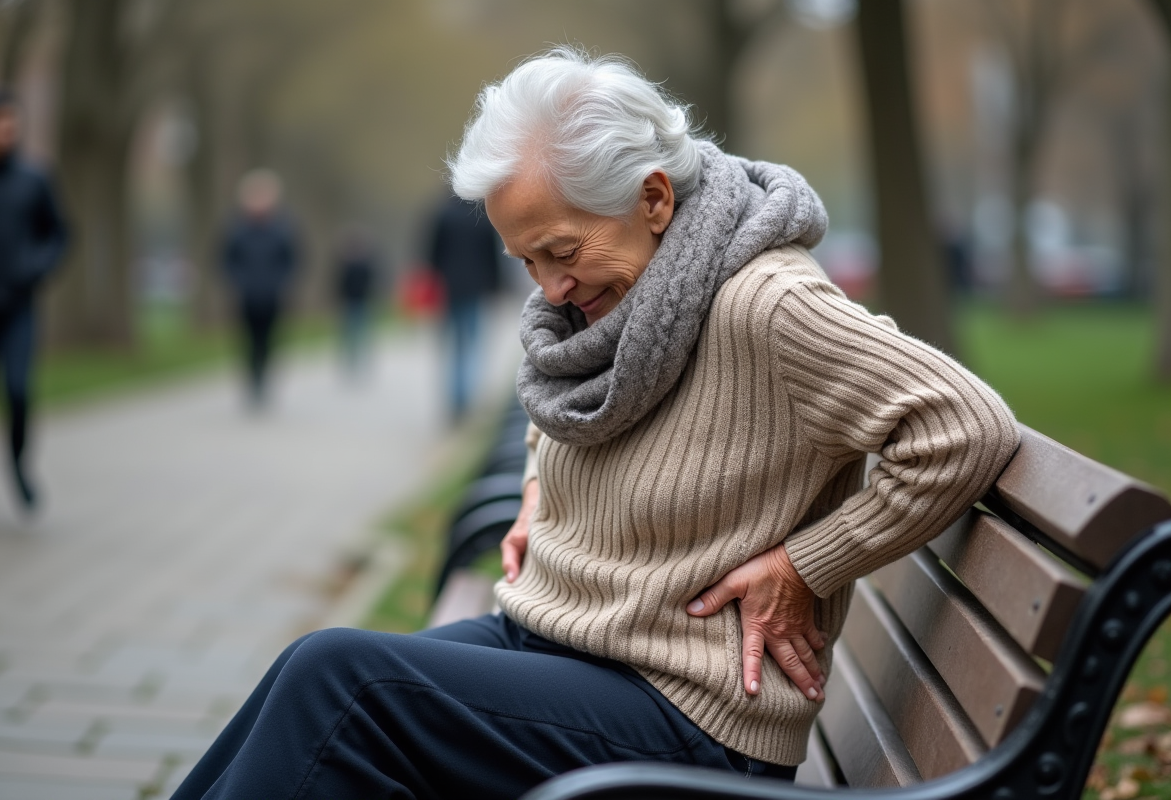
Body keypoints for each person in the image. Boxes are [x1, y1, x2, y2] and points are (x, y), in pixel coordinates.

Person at [171, 48, 1019, 799]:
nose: (549, 289)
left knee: (344, 685)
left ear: (653, 197)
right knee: (309, 672)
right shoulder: (636, 286)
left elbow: (965, 427)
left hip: (683, 713)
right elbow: (581, 407)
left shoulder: (765, 301)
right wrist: (543, 487)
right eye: (526, 261)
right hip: (569, 642)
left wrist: (805, 564)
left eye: (563, 252)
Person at [0, 91, 66, 525]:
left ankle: (18, 465)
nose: (5, 133)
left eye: (12, 125)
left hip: (17, 306)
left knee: (17, 390)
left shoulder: (34, 178)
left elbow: (59, 234)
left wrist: (37, 266)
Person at [220, 169, 298, 408]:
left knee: (269, 340)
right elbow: (226, 259)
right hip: (246, 295)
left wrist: (280, 281)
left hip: (273, 295)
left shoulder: (283, 228)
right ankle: (252, 380)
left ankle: (263, 378)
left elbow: (293, 259)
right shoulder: (237, 229)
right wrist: (239, 281)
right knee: (248, 340)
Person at [427, 193, 501, 421]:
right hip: (476, 288)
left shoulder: (443, 214)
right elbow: (492, 256)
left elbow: (433, 253)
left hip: (449, 288)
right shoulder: (482, 216)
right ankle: (468, 397)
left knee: (455, 345)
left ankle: (456, 399)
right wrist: (495, 285)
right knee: (473, 344)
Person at [332, 229, 381, 377]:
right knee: (352, 334)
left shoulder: (362, 263)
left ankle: (358, 362)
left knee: (358, 334)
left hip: (360, 302)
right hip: (352, 302)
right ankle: (352, 362)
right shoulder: (347, 263)